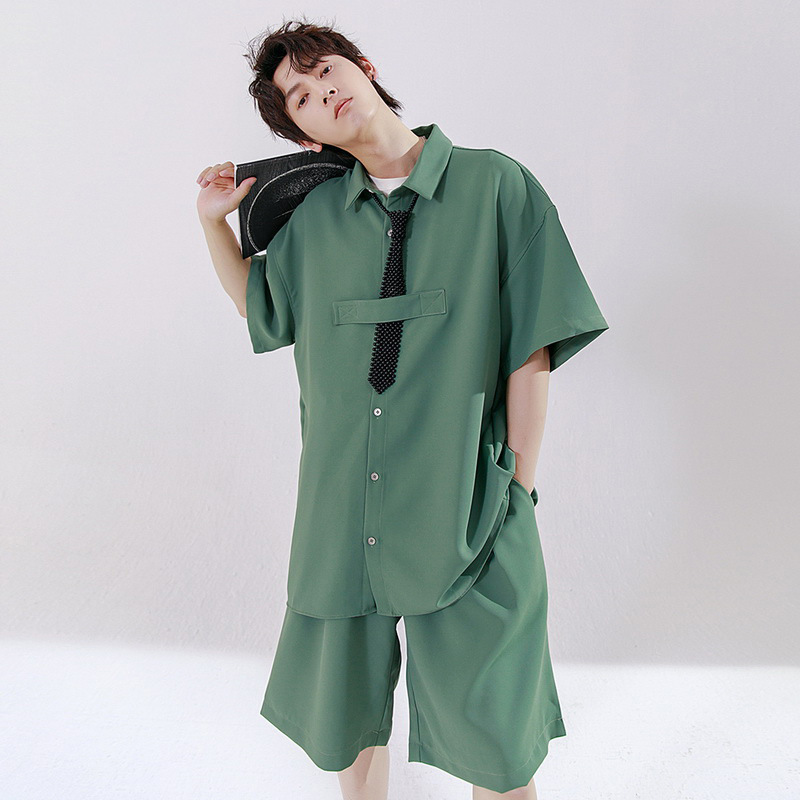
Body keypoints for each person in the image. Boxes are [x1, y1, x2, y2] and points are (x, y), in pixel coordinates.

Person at [196, 17, 609, 800]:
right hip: (341, 514)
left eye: (324, 69)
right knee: (348, 730)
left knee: (498, 741)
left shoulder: (496, 185)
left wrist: (516, 488)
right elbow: (263, 307)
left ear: (364, 66)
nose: (320, 91)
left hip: (471, 507)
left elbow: (533, 346)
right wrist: (213, 225)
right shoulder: (313, 220)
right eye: (298, 97)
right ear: (304, 135)